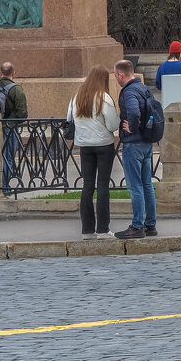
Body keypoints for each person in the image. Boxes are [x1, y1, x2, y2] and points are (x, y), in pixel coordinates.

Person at [68, 65, 120, 239]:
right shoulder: (104, 98)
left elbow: (69, 119)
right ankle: (103, 229)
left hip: (84, 145)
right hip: (104, 144)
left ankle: (87, 230)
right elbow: (112, 125)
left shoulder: (77, 97)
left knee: (87, 186)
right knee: (103, 186)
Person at [114, 59, 158, 239]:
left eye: (116, 75)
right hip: (147, 142)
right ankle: (151, 224)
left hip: (133, 144)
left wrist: (132, 127)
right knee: (147, 185)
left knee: (135, 186)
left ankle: (137, 225)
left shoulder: (129, 91)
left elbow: (133, 112)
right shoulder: (144, 88)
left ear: (120, 74)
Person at [0, 62, 27, 194]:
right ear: (14, 73)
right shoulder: (17, 89)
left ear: (0, 73)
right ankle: (4, 187)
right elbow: (22, 114)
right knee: (8, 158)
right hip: (10, 129)